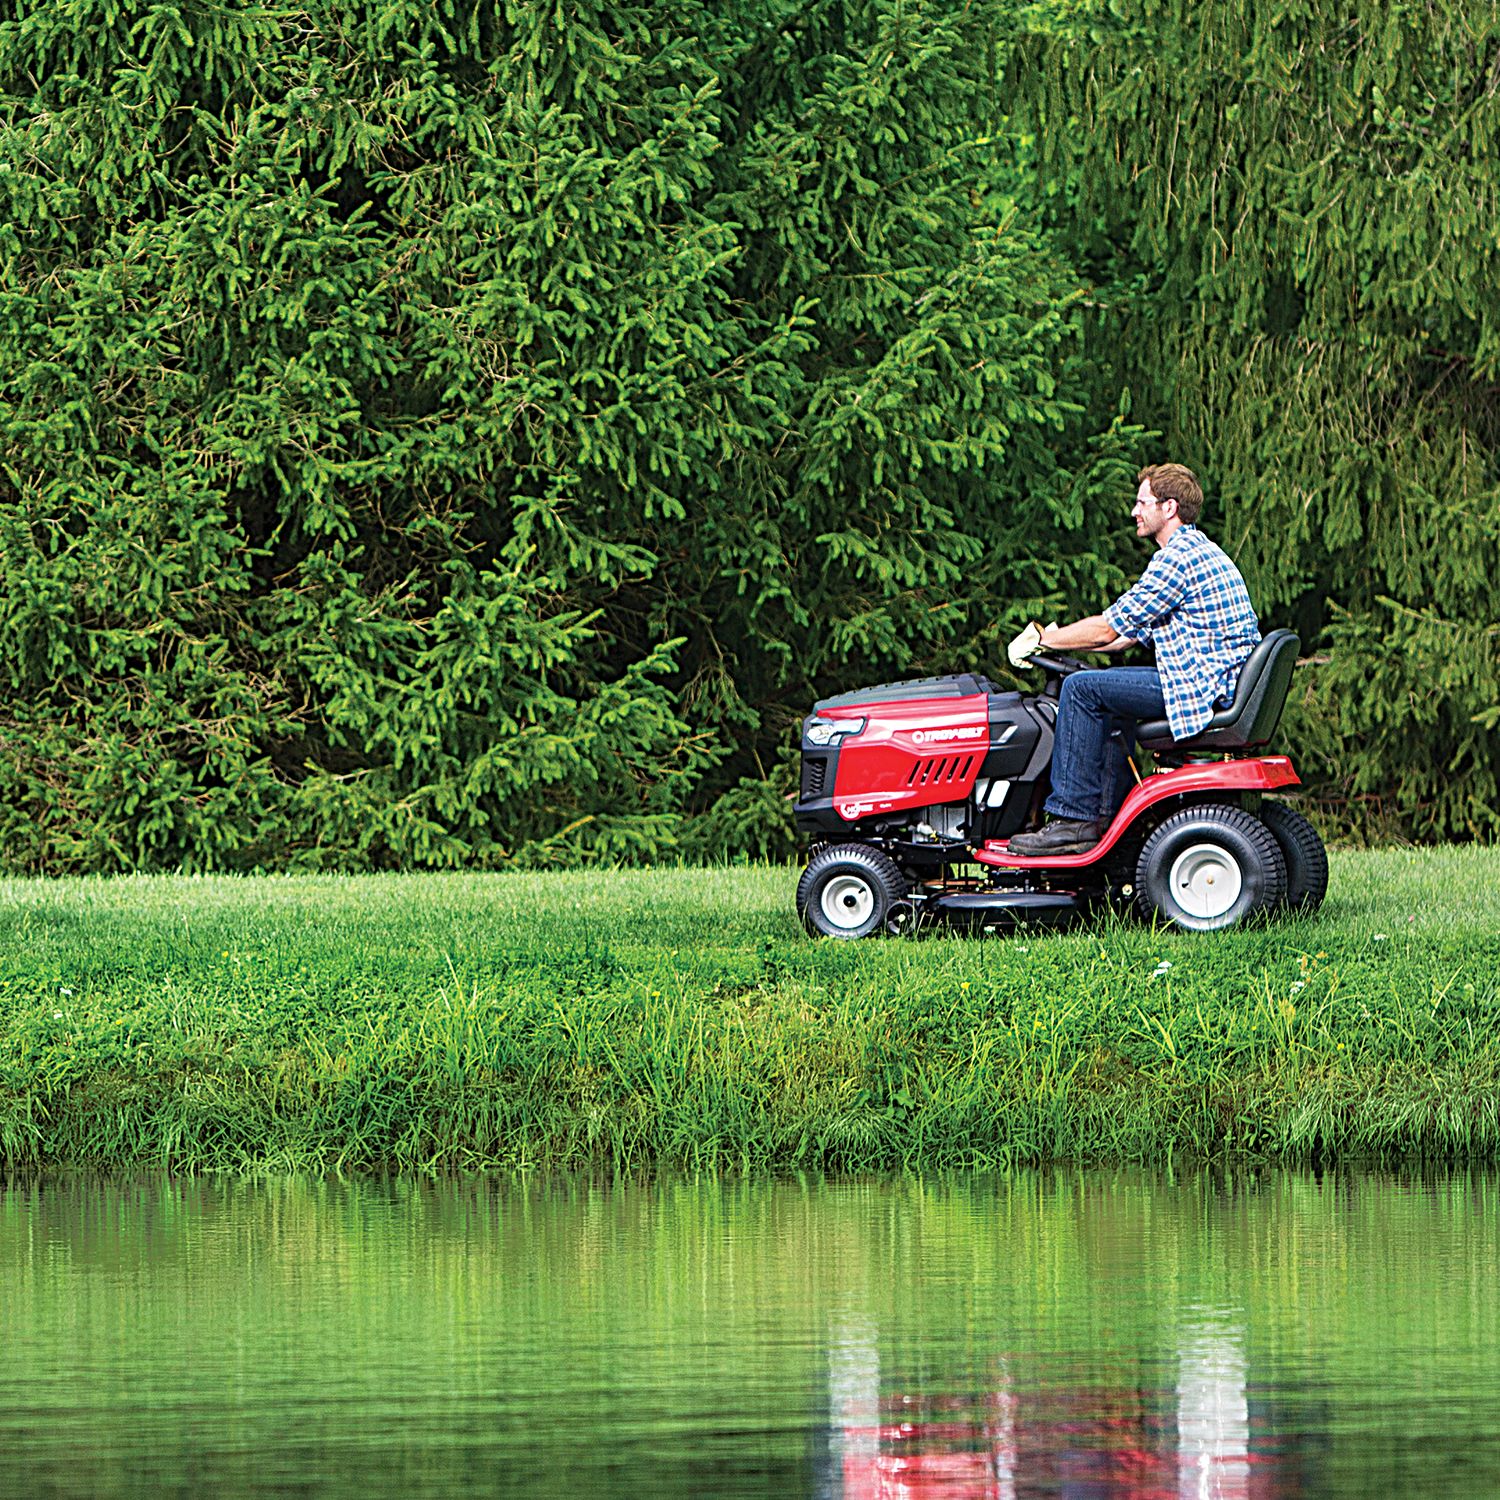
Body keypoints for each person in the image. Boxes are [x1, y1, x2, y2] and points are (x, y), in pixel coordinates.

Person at [1006, 463, 1261, 856]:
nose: (1134, 511)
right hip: (1211, 680)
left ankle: (1072, 820)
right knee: (1099, 692)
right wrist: (1058, 646)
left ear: (1169, 507)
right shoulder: (1198, 551)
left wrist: (1044, 638)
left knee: (1080, 689)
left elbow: (1108, 630)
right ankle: (1103, 817)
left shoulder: (1177, 559)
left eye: (1142, 502)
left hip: (1199, 688)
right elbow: (1123, 638)